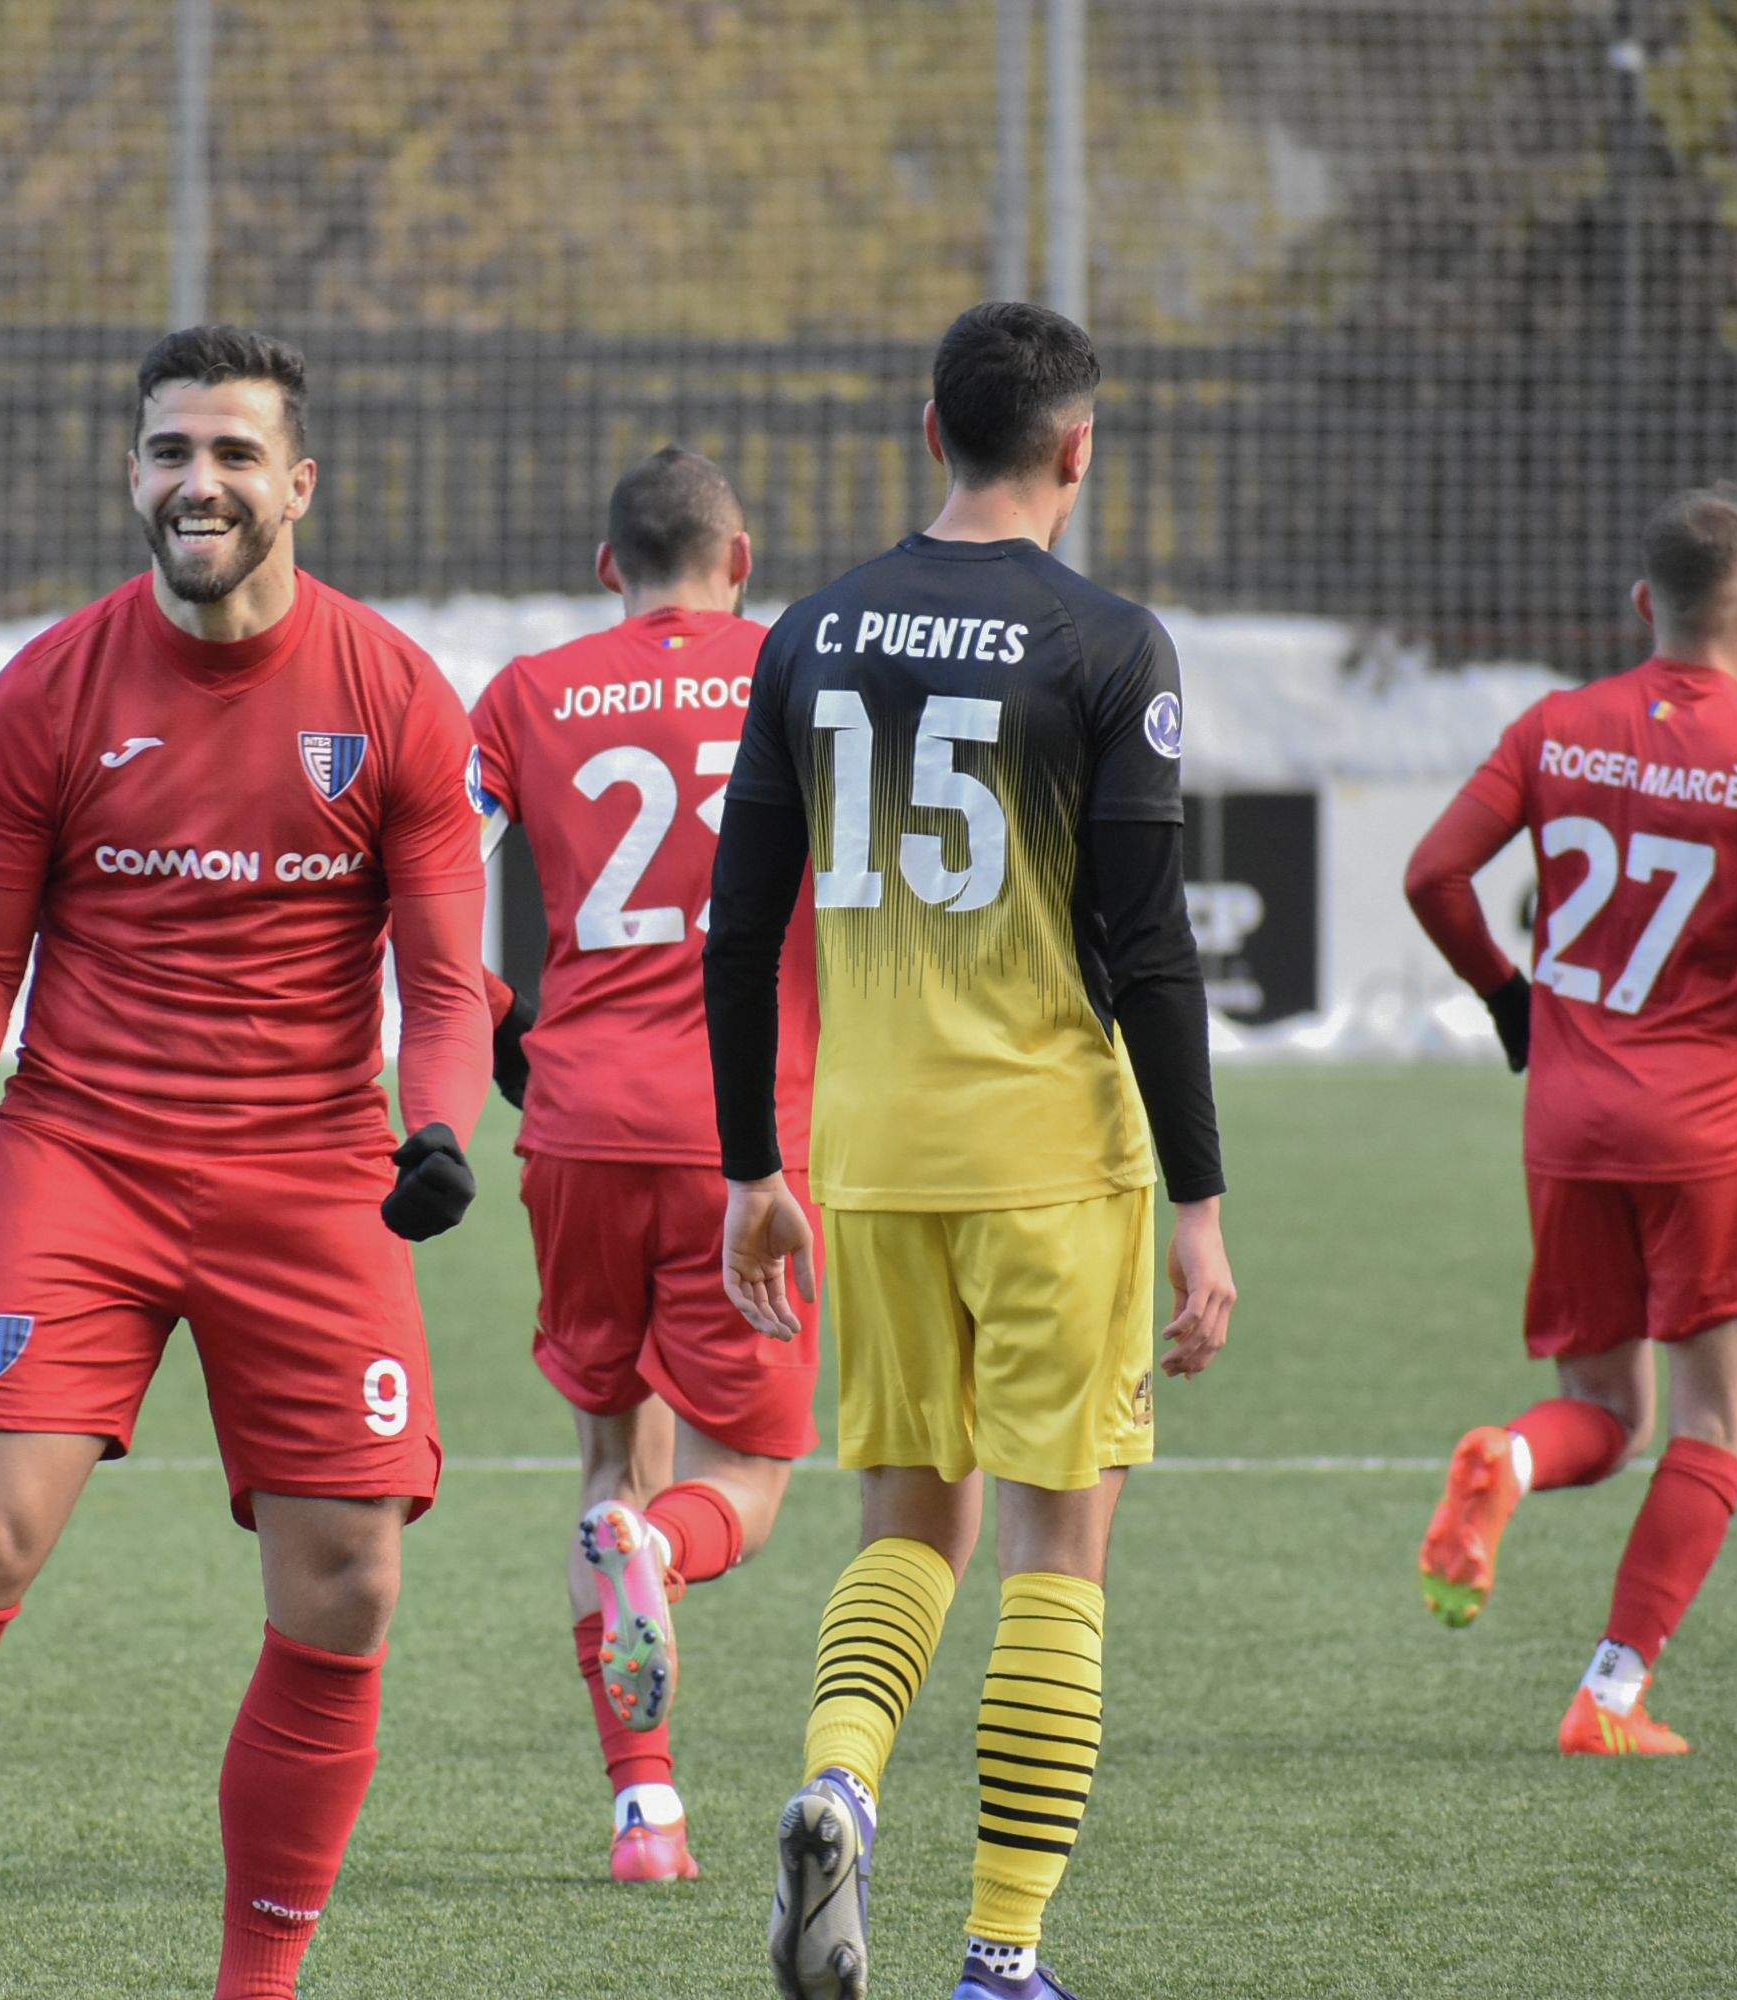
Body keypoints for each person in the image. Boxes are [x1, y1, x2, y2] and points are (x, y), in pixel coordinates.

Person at [0, 325, 492, 2000]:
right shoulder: (46, 690)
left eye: (236, 454)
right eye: (172, 451)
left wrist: (440, 1126)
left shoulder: (392, 694)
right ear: (131, 474)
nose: (200, 483)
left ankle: (256, 1986)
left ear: (297, 484)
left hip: (314, 1174)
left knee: (349, 1584)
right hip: (84, 1159)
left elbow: (446, 989)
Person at [702, 302, 1236, 2000]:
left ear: (927, 429)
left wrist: (748, 1169)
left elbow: (737, 929)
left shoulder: (810, 629)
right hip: (1048, 1160)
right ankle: (1000, 1956)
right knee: (1056, 1545)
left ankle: (843, 1782)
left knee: (904, 1522)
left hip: (867, 1155)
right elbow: (1148, 950)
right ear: (1076, 448)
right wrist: (1203, 1207)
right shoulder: (1108, 642)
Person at [1405, 482, 1737, 1754]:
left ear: (1641, 603)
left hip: (1568, 1123)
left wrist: (1512, 1002)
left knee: (1604, 1414)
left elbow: (1431, 873)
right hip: (1707, 1133)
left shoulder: (1557, 726)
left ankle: (1506, 1457)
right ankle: (1609, 1695)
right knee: (1716, 1422)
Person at [468, 447, 821, 1883]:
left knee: (611, 1454)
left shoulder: (526, 692)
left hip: (579, 1126)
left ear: (610, 567)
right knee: (746, 1474)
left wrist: (507, 1035)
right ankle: (662, 1555)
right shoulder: (803, 672)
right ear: (741, 561)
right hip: (747, 1140)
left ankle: (646, 1814)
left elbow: (425, 886)